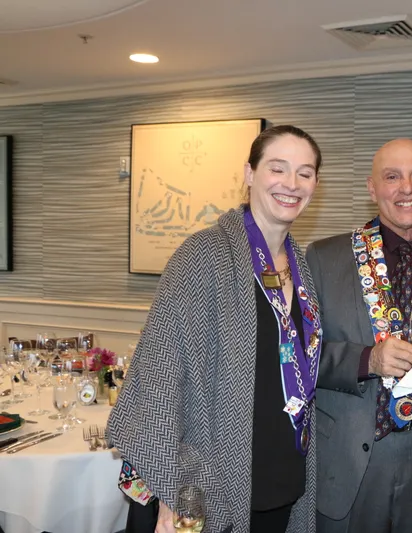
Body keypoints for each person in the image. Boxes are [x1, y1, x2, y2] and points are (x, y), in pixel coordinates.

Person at [106, 125, 324, 533]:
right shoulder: (203, 256)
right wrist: (174, 492)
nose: (291, 184)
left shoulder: (302, 268)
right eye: (278, 168)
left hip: (286, 476)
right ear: (249, 173)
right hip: (218, 484)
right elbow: (158, 378)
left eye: (305, 173)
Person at [306, 138, 412, 533]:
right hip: (348, 465)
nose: (407, 188)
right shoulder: (322, 258)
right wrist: (367, 359)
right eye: (392, 177)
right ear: (372, 188)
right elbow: (299, 355)